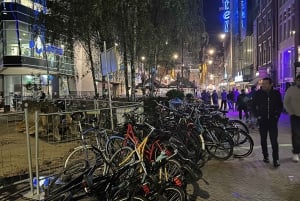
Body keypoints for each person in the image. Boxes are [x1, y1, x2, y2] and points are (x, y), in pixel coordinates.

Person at [252, 77, 283, 167]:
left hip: (273, 121)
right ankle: (265, 156)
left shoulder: (276, 93)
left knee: (274, 141)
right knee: (263, 140)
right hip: (262, 121)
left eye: (265, 83)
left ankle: (276, 159)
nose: (263, 85)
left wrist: (277, 115)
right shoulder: (258, 94)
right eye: (263, 83)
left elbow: (280, 106)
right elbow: (253, 105)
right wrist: (258, 115)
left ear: (271, 84)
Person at [283, 74, 300, 162]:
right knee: (296, 135)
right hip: (295, 116)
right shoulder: (291, 90)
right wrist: (291, 112)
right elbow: (286, 102)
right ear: (296, 81)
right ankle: (296, 152)